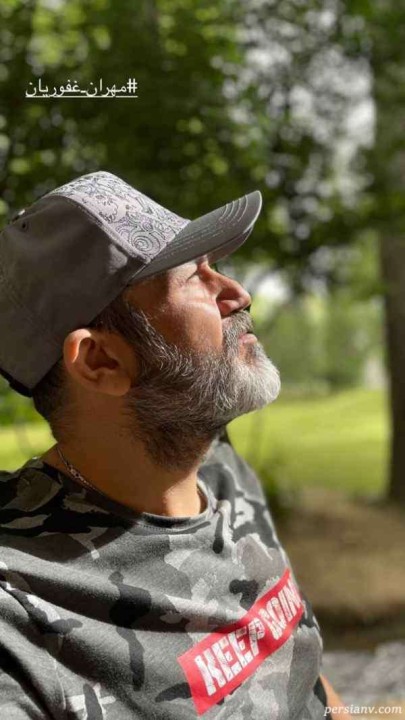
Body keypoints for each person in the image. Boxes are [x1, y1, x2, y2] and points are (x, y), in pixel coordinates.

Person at [0, 171, 348, 719]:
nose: (238, 294)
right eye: (192, 277)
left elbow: (300, 665)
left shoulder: (218, 469)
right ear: (101, 361)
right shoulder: (21, 611)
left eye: (215, 267)